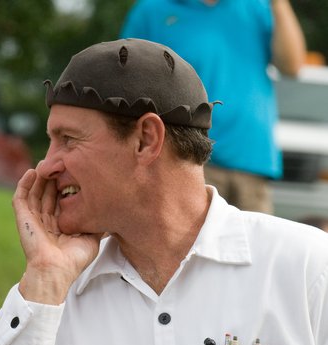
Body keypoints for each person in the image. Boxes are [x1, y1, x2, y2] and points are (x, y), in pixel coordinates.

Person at [0, 39, 328, 345]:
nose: (46, 165)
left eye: (68, 139)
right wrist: (44, 283)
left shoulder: (307, 269)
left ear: (146, 140)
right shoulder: (53, 300)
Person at [120, 0, 306, 214]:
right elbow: (128, 81)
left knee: (254, 246)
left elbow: (292, 66)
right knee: (192, 246)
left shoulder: (258, 7)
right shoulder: (151, 10)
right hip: (185, 157)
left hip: (251, 158)